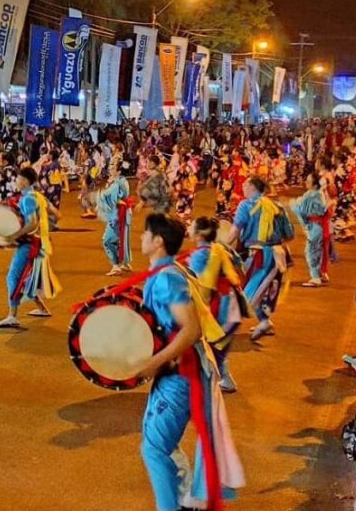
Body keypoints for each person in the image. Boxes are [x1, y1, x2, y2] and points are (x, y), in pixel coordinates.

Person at [134, 213, 244, 510]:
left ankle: (172, 504)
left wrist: (153, 362)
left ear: (158, 241)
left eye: (146, 233)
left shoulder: (167, 277)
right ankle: (184, 496)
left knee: (155, 449)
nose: (141, 238)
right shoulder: (171, 270)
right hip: (180, 368)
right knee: (157, 443)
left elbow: (191, 329)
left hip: (181, 372)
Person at [225, 176, 293, 341]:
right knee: (263, 290)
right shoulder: (277, 207)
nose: (243, 187)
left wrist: (221, 246)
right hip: (278, 255)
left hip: (259, 255)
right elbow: (289, 234)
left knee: (248, 291)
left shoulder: (246, 205)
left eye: (245, 185)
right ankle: (264, 321)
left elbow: (234, 231)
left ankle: (225, 328)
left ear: (253, 188)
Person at [187, 217, 250, 393]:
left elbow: (200, 287)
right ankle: (224, 379)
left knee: (207, 344)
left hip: (220, 306)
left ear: (199, 234)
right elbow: (241, 270)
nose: (189, 228)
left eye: (191, 226)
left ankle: (209, 382)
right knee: (217, 347)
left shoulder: (200, 255)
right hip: (232, 303)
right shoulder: (223, 249)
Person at [0, 167, 61, 329]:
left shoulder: (27, 199)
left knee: (13, 277)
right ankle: (42, 309)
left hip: (30, 245)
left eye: (18, 179)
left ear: (24, 181)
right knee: (29, 277)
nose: (16, 181)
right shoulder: (38, 196)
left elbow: (32, 222)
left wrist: (15, 235)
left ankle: (12, 315)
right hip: (41, 243)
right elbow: (56, 214)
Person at [290, 171, 334, 287]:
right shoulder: (316, 194)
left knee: (311, 251)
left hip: (316, 226)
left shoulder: (314, 195)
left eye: (308, 181)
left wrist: (294, 204)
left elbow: (302, 210)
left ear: (315, 184)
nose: (306, 182)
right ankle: (320, 274)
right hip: (318, 226)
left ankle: (315, 277)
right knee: (317, 250)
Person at [97, 157, 134, 276]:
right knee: (121, 239)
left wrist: (98, 196)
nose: (109, 167)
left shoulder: (117, 183)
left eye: (112, 165)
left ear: (119, 170)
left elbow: (110, 198)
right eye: (110, 164)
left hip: (118, 215)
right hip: (123, 214)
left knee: (107, 240)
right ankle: (125, 263)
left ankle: (116, 265)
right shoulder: (122, 180)